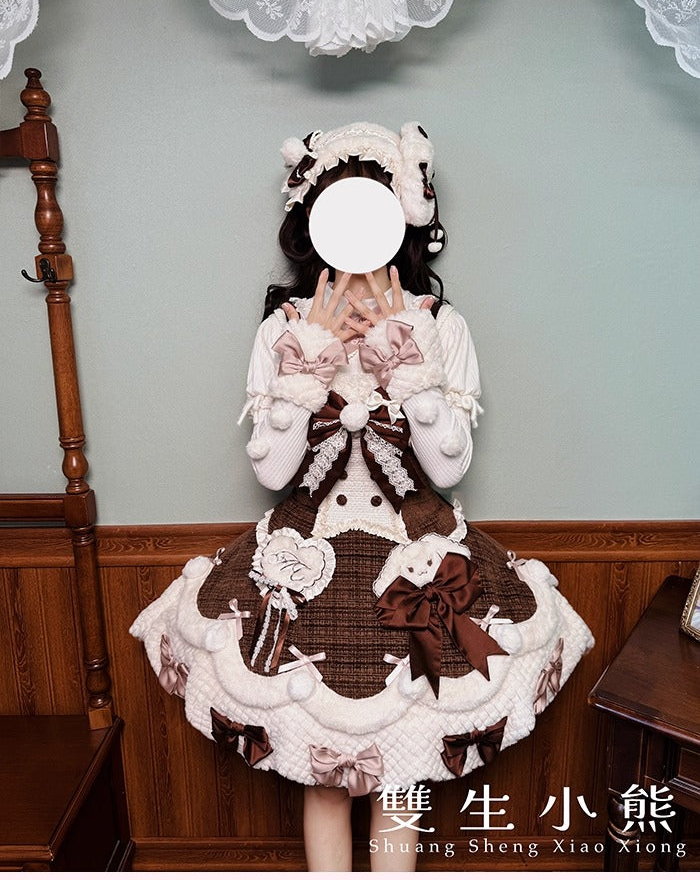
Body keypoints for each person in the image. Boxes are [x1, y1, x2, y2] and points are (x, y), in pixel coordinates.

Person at [131, 122, 594, 872]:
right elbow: (274, 472)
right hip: (307, 559)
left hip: (413, 557)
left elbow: (447, 464)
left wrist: (403, 361)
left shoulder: (441, 326)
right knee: (324, 780)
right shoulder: (283, 328)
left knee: (401, 776)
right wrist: (310, 358)